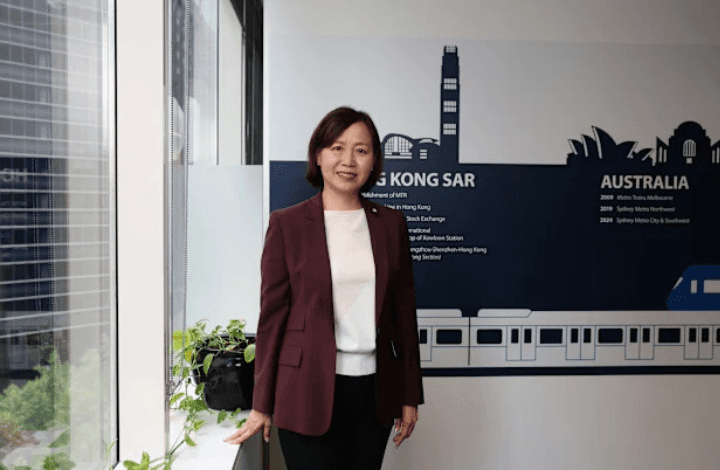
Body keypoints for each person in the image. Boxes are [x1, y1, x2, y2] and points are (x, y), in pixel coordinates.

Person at [224, 106, 424, 470]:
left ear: (374, 161)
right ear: (318, 155)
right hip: (304, 389)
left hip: (375, 394)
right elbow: (271, 319)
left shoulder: (391, 224)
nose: (349, 161)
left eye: (361, 150)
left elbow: (404, 315)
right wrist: (261, 404)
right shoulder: (287, 225)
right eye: (337, 148)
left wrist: (410, 395)